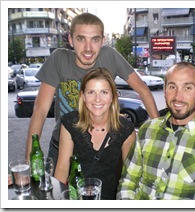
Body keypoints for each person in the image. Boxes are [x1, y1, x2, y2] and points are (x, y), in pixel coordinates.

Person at [25, 13, 158, 170]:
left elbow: (143, 90)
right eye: (81, 39)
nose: (88, 48)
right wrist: (28, 163)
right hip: (63, 146)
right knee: (58, 193)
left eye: (94, 39)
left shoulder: (110, 56)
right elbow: (40, 110)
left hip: (103, 147)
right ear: (70, 40)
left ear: (102, 40)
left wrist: (159, 133)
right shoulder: (58, 59)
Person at [117, 62, 195, 200]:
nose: (178, 96)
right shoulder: (147, 130)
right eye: (172, 87)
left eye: (188, 87)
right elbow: (128, 181)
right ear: (164, 91)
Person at [54, 67, 136, 200]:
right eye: (91, 92)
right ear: (83, 97)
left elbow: (130, 176)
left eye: (104, 92)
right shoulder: (70, 124)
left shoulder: (126, 129)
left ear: (112, 97)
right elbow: (62, 169)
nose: (97, 99)